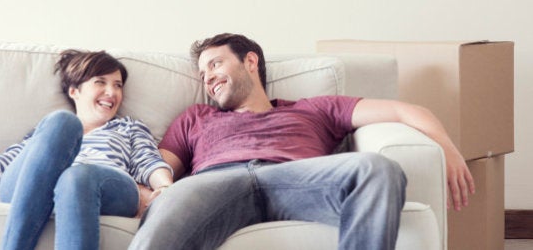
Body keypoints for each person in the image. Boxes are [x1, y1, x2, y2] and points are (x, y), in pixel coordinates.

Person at [128, 33, 475, 250]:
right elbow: (156, 167)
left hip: (298, 179)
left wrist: (447, 147)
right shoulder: (195, 117)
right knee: (170, 204)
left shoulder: (314, 109)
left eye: (216, 65)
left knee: (378, 168)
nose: (209, 79)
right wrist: (147, 191)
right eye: (203, 75)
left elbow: (404, 111)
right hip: (216, 182)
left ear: (250, 62)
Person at [0, 49, 173, 250]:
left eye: (117, 85)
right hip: (36, 186)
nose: (111, 92)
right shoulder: (45, 135)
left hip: (105, 185)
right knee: (63, 123)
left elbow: (149, 161)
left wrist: (164, 187)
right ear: (74, 90)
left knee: (75, 177)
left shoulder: (127, 127)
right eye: (100, 82)